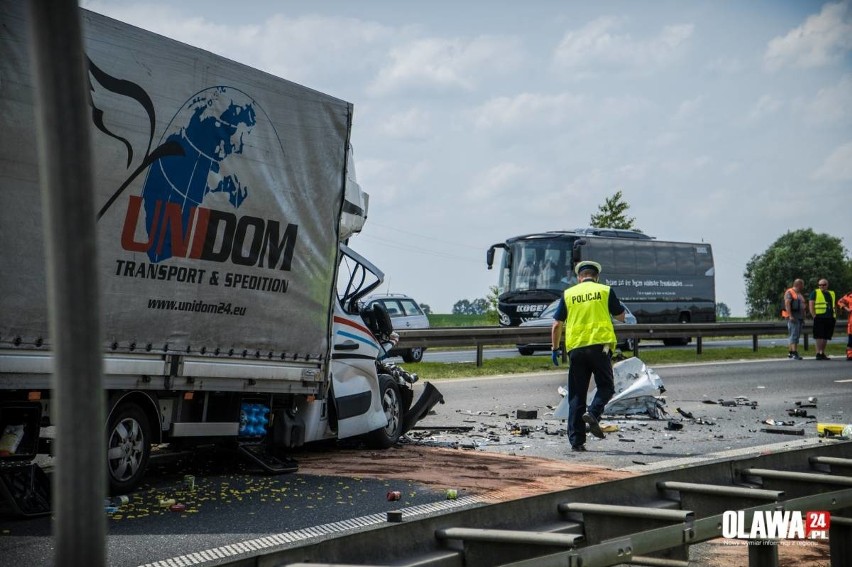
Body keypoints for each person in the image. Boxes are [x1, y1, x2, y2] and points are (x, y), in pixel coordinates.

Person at [550, 260, 625, 452]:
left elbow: (557, 324)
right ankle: (593, 413)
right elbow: (621, 316)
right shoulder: (605, 291)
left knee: (576, 395)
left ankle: (577, 442)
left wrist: (554, 348)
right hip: (600, 347)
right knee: (606, 387)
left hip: (576, 349)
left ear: (579, 277)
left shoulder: (569, 294)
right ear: (596, 276)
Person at [809, 279, 836, 360]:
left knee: (826, 336)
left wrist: (834, 316)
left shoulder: (831, 293)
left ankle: (822, 353)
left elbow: (834, 305)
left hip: (830, 317)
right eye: (820, 285)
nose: (821, 286)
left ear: (827, 285)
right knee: (819, 336)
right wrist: (814, 315)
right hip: (819, 317)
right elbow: (811, 304)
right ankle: (818, 353)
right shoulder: (815, 292)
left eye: (823, 285)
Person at [783, 279, 806, 360]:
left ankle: (790, 352)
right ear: (799, 284)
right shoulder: (790, 292)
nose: (803, 286)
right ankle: (794, 353)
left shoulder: (799, 293)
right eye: (803, 284)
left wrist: (803, 317)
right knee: (794, 335)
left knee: (794, 335)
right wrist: (790, 316)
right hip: (794, 317)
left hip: (799, 317)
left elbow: (802, 305)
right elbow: (787, 303)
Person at [836, 291, 852, 361]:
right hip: (851, 323)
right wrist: (846, 308)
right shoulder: (849, 295)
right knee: (851, 340)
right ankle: (850, 355)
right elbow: (840, 302)